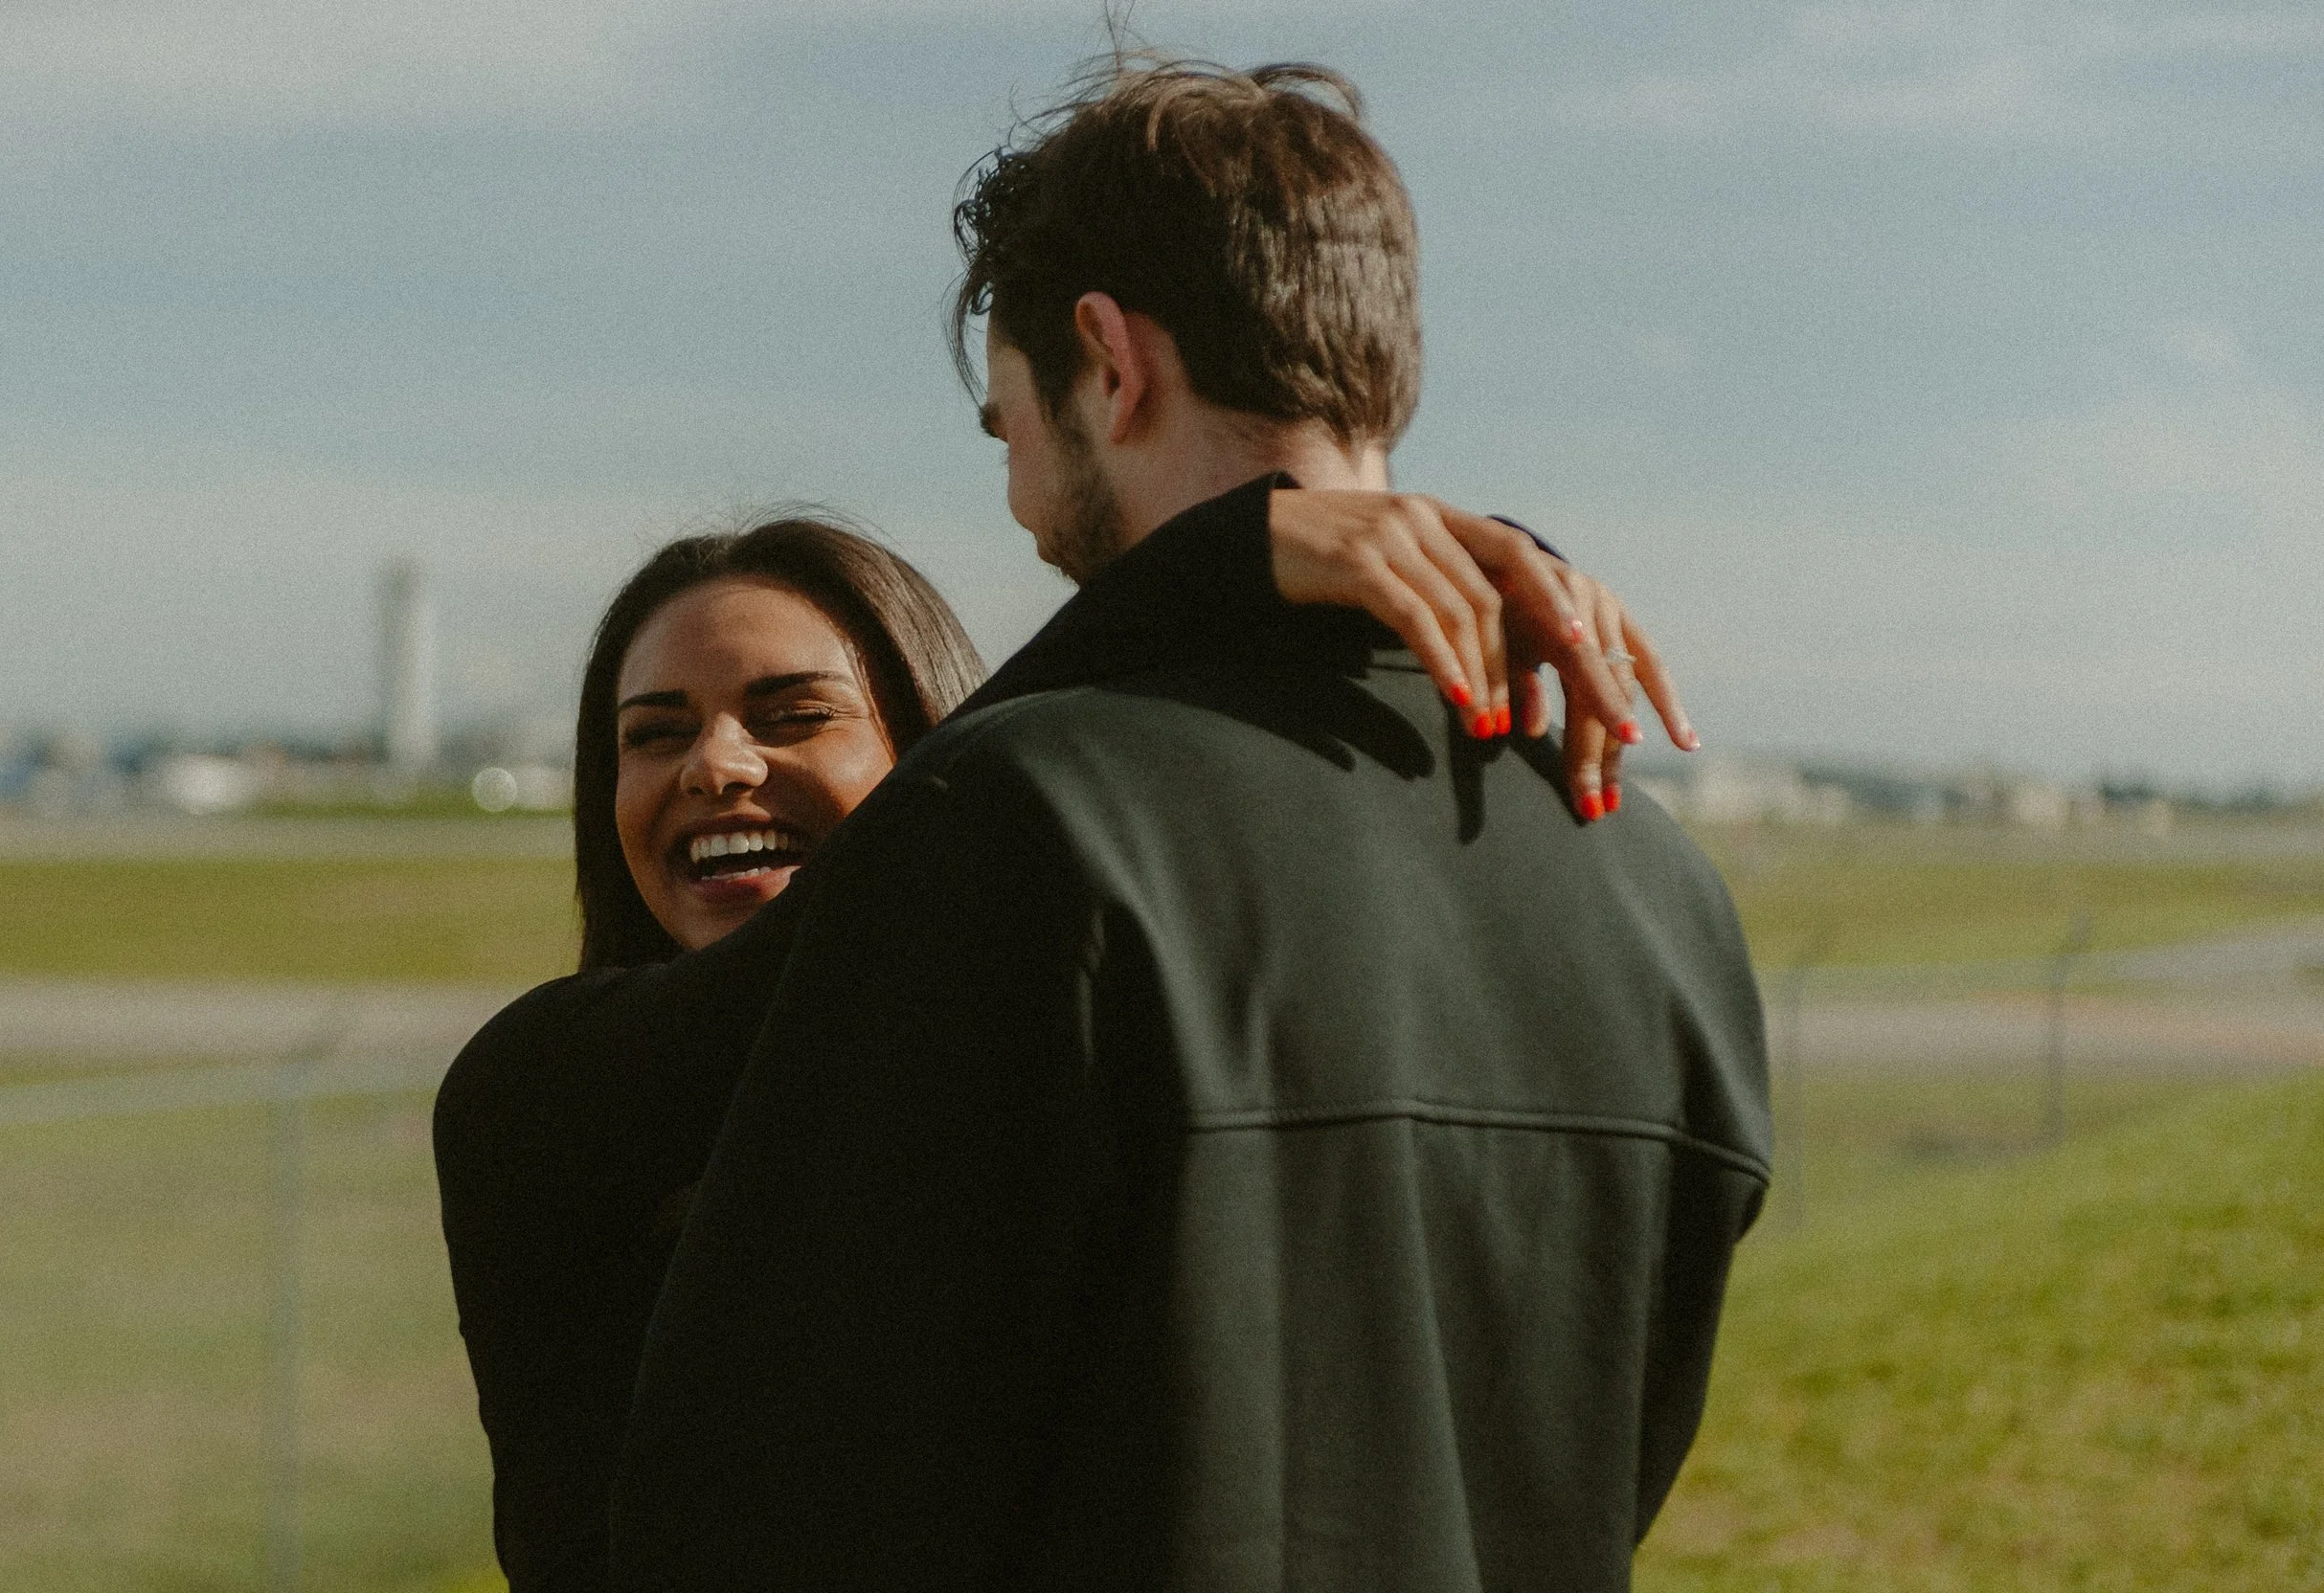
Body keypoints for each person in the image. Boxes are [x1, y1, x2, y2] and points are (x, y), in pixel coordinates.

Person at [605, 57, 1769, 1592]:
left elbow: (762, 1504)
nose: (1019, 491)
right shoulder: (1661, 888)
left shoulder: (1021, 822)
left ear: (1107, 359)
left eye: (1002, 419)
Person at [438, 495, 1681, 1589]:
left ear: (925, 748)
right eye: (654, 732)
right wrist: (1226, 557)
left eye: (792, 714)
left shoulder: (1049, 1112)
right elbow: (877, 921)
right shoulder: (538, 1091)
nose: (716, 763)